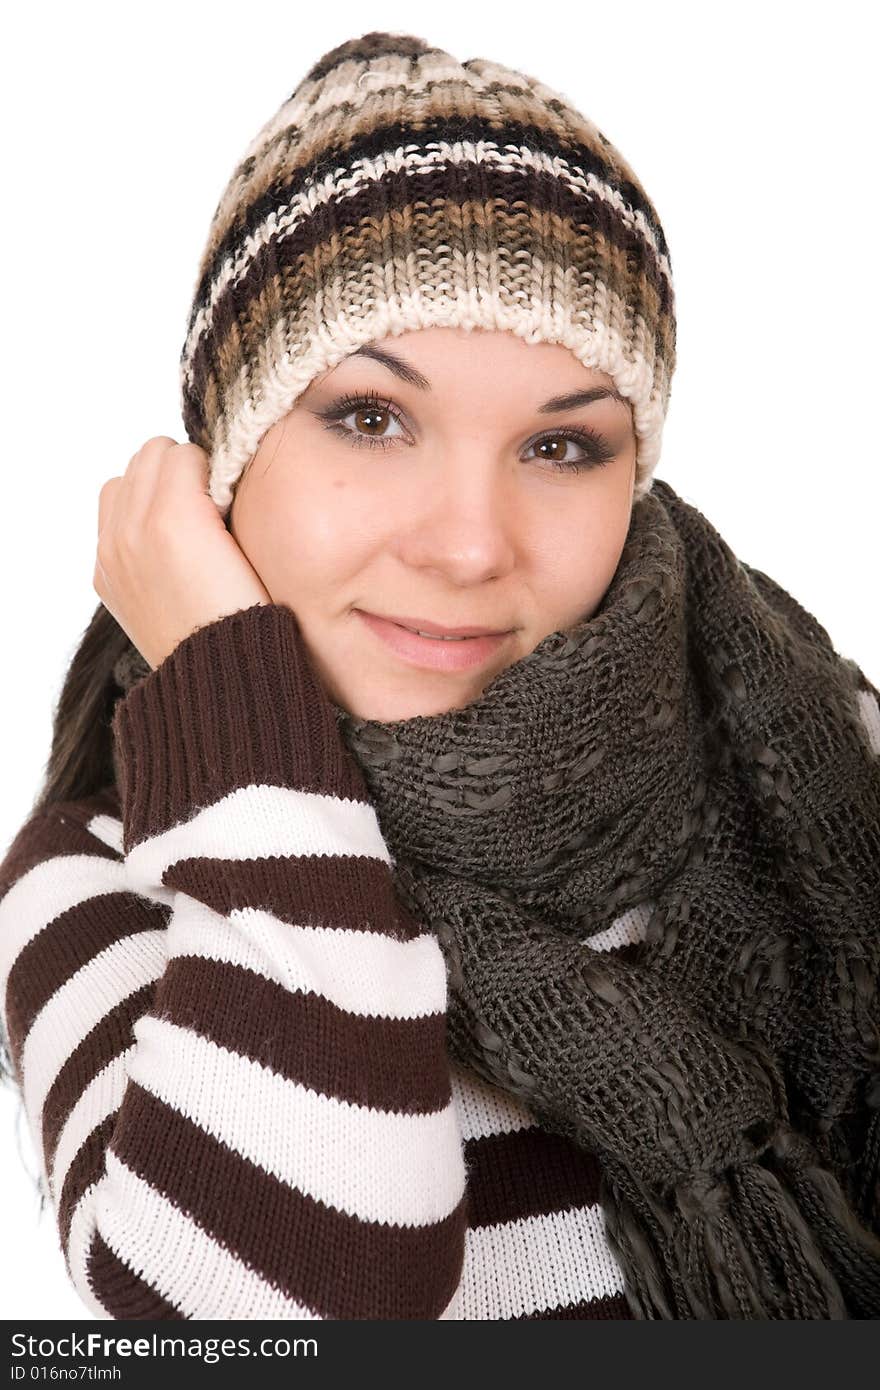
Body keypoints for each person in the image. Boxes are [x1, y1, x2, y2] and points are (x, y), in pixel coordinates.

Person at [1, 29, 879, 1322]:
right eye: (370, 418)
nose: (470, 543)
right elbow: (287, 1317)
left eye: (564, 445)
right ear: (222, 462)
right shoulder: (111, 885)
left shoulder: (817, 761)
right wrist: (227, 697)